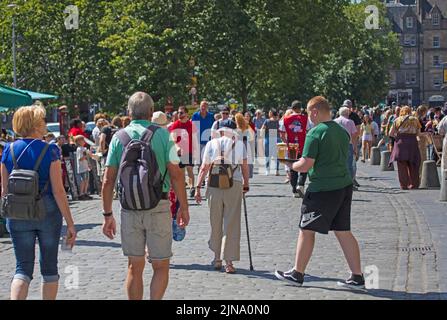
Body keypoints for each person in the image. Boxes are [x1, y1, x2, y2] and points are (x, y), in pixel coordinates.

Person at [101, 92, 189, 300]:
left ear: (129, 112)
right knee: (160, 266)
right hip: (158, 206)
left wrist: (107, 215)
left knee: (134, 266)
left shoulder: (118, 137)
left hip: (130, 208)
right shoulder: (162, 135)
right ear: (151, 112)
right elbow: (176, 175)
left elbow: (107, 181)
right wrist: (183, 207)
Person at [275, 96, 364, 289]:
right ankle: (357, 276)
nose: (308, 117)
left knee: (306, 230)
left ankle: (297, 273)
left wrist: (290, 164)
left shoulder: (315, 133)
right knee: (343, 231)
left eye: (308, 113)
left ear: (314, 111)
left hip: (322, 188)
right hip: (343, 185)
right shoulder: (341, 131)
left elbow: (306, 164)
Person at [1, 106, 76, 300]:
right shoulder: (50, 150)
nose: (44, 124)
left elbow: (4, 191)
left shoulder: (8, 150)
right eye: (42, 121)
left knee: (22, 268)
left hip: (18, 211)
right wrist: (70, 223)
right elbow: (59, 191)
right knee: (49, 267)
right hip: (47, 210)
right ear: (34, 125)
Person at [195, 119, 250, 274]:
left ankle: (217, 257)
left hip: (213, 185)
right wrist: (246, 184)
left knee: (215, 221)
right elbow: (244, 167)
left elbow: (204, 167)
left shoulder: (211, 144)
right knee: (231, 222)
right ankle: (229, 262)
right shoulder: (239, 145)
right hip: (234, 183)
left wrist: (198, 187)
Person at [169, 106, 200, 198]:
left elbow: (195, 139)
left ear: (186, 114)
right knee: (181, 172)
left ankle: (191, 187)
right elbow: (173, 139)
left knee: (190, 169)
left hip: (189, 151)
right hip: (179, 152)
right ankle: (182, 189)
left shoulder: (191, 125)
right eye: (179, 113)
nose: (180, 114)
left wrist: (196, 152)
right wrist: (177, 147)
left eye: (181, 113)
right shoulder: (175, 124)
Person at [280, 101, 308, 198]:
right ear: (300, 108)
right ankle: (301, 184)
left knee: (293, 167)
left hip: (291, 145)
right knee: (304, 165)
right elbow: (309, 131)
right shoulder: (305, 118)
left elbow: (282, 134)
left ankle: (294, 190)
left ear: (292, 108)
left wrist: (286, 143)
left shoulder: (286, 119)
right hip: (303, 145)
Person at [389, 106, 422, 190]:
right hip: (412, 143)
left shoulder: (397, 120)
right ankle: (414, 184)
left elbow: (390, 133)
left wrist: (398, 135)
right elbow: (418, 133)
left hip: (401, 143)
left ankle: (404, 185)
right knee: (413, 164)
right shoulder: (415, 120)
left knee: (401, 165)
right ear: (410, 111)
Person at [334, 107, 358, 182]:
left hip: (337, 144)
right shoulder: (350, 122)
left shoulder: (335, 121)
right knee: (348, 164)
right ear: (347, 113)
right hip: (348, 144)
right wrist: (355, 147)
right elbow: (354, 135)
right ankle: (349, 182)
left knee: (337, 162)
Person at [344, 100, 361, 188]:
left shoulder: (355, 116)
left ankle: (352, 179)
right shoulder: (340, 115)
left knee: (353, 162)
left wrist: (355, 143)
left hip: (353, 141)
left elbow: (358, 130)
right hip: (343, 143)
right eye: (345, 106)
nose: (347, 108)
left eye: (348, 107)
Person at [235, 113, 255, 178]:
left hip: (239, 143)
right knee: (246, 159)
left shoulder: (236, 125)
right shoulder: (246, 124)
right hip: (245, 143)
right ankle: (247, 174)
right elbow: (252, 134)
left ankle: (239, 174)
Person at [262, 110, 280, 176]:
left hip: (268, 138)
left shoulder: (267, 121)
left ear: (271, 114)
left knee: (267, 155)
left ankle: (267, 170)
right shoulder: (278, 121)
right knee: (276, 155)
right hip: (277, 138)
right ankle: (277, 170)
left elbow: (262, 129)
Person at [74, 135, 92, 200]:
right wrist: (85, 155)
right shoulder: (79, 149)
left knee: (86, 180)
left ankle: (85, 192)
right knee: (83, 180)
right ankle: (81, 193)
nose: (84, 141)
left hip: (85, 166)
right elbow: (80, 158)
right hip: (82, 167)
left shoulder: (84, 148)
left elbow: (87, 157)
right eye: (82, 140)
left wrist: (89, 164)